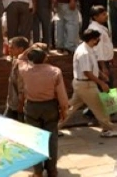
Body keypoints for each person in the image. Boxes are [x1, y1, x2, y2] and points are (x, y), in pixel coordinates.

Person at [18, 44, 70, 177]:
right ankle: (52, 170)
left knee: (34, 140)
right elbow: (61, 94)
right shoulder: (55, 71)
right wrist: (64, 109)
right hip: (50, 107)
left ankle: (37, 171)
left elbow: (20, 58)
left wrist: (31, 48)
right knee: (51, 139)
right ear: (45, 58)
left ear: (31, 58)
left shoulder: (25, 70)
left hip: (32, 106)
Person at [65, 29, 117, 138]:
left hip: (81, 84)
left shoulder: (87, 48)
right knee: (101, 107)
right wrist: (101, 83)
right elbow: (87, 72)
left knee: (70, 108)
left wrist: (101, 74)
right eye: (97, 39)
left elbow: (92, 66)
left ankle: (53, 127)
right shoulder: (84, 53)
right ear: (92, 39)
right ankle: (107, 129)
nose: (98, 41)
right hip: (86, 85)